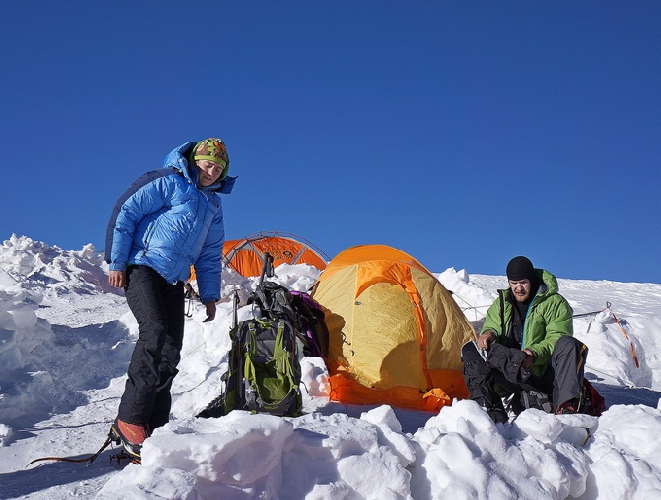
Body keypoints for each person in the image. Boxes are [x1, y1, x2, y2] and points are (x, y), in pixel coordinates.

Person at [104, 138, 236, 459]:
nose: (211, 171)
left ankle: (156, 424)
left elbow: (208, 254)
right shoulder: (167, 180)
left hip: (174, 278)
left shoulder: (212, 206)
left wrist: (209, 295)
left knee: (170, 350)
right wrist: (117, 260)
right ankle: (130, 419)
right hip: (141, 266)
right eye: (208, 164)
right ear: (195, 160)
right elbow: (126, 211)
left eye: (218, 168)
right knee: (154, 330)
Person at [461, 256, 587, 423]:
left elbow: (556, 337)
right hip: (512, 368)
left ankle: (566, 408)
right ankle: (489, 408)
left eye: (523, 283)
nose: (518, 288)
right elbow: (492, 326)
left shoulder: (555, 303)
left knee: (569, 344)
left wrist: (533, 354)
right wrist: (488, 334)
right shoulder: (501, 303)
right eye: (514, 284)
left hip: (540, 372)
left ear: (532, 280)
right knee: (471, 349)